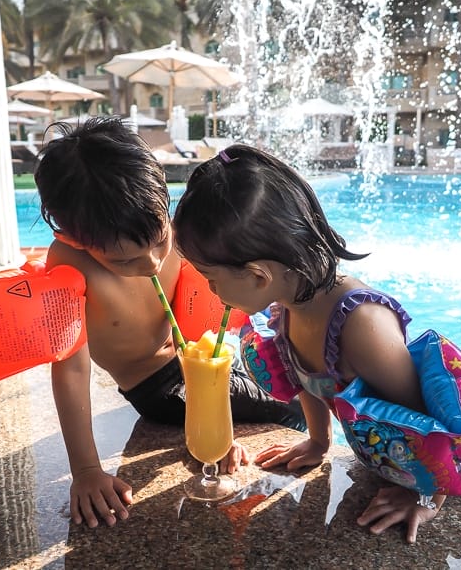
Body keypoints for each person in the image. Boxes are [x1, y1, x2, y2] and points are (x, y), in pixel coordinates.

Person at [172, 144, 461, 543]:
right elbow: (308, 378)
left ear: (259, 274)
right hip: (394, 462)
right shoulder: (289, 305)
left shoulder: (362, 325)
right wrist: (318, 442)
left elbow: (433, 423)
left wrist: (426, 497)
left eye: (211, 278)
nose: (210, 290)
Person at [34, 118, 305, 529]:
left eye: (161, 241)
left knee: (294, 375)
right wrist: (87, 470)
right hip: (160, 386)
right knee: (297, 406)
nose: (152, 263)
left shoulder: (172, 222)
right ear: (75, 238)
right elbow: (71, 368)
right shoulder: (70, 263)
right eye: (123, 261)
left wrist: (217, 420)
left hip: (201, 364)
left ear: (163, 197)